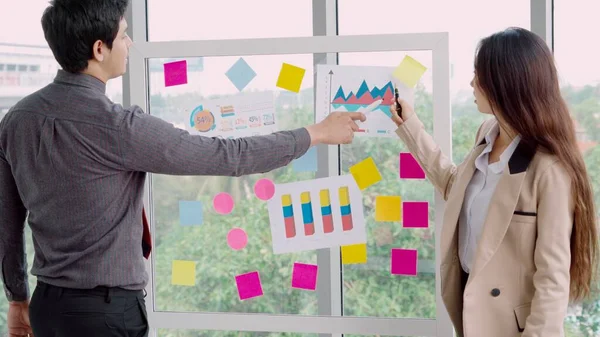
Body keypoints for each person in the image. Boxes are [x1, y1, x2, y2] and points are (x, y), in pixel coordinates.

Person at [0, 0, 366, 336]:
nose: (130, 45)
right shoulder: (118, 127)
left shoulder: (15, 120)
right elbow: (229, 156)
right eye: (124, 36)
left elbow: (7, 219)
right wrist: (316, 133)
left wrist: (17, 298)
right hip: (105, 315)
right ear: (99, 49)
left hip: (48, 307)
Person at [390, 27, 598, 337]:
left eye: (479, 75)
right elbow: (454, 187)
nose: (472, 83)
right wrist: (410, 126)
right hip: (472, 315)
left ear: (505, 83)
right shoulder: (487, 134)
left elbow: (552, 281)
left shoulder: (549, 168)